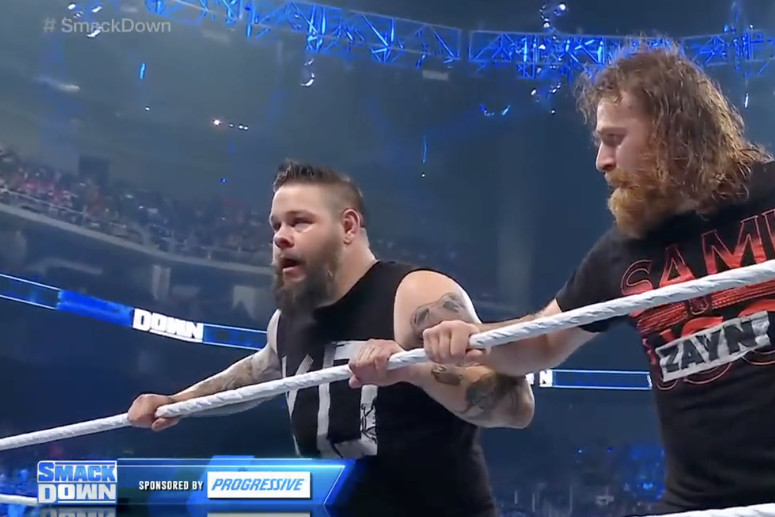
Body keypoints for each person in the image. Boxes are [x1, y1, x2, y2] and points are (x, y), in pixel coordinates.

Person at [419, 45, 775, 513]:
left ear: (673, 132)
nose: (601, 161)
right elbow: (540, 344)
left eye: (614, 139)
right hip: (697, 505)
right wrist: (475, 339)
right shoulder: (621, 253)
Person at [127, 160, 535, 517]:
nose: (280, 237)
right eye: (276, 225)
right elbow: (255, 375)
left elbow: (517, 406)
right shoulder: (287, 322)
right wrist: (177, 403)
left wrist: (416, 370)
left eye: (299, 222)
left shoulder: (415, 294)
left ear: (348, 227)